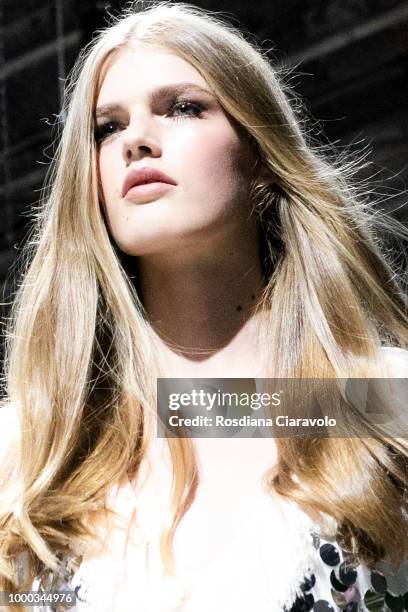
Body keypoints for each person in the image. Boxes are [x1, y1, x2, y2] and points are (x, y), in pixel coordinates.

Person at [1, 1, 408, 610]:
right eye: (107, 128)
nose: (136, 139)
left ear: (261, 156)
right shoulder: (33, 452)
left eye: (183, 107)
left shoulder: (383, 399)